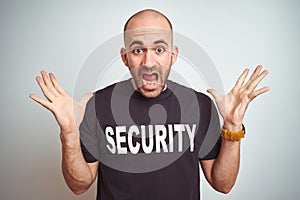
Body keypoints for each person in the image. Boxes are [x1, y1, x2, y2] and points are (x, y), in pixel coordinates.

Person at [29, 9, 270, 200]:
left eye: (159, 49)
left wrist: (232, 125)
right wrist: (69, 133)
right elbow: (79, 186)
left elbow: (223, 184)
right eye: (137, 50)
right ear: (125, 58)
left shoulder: (199, 105)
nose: (149, 61)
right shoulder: (98, 105)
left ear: (172, 56)